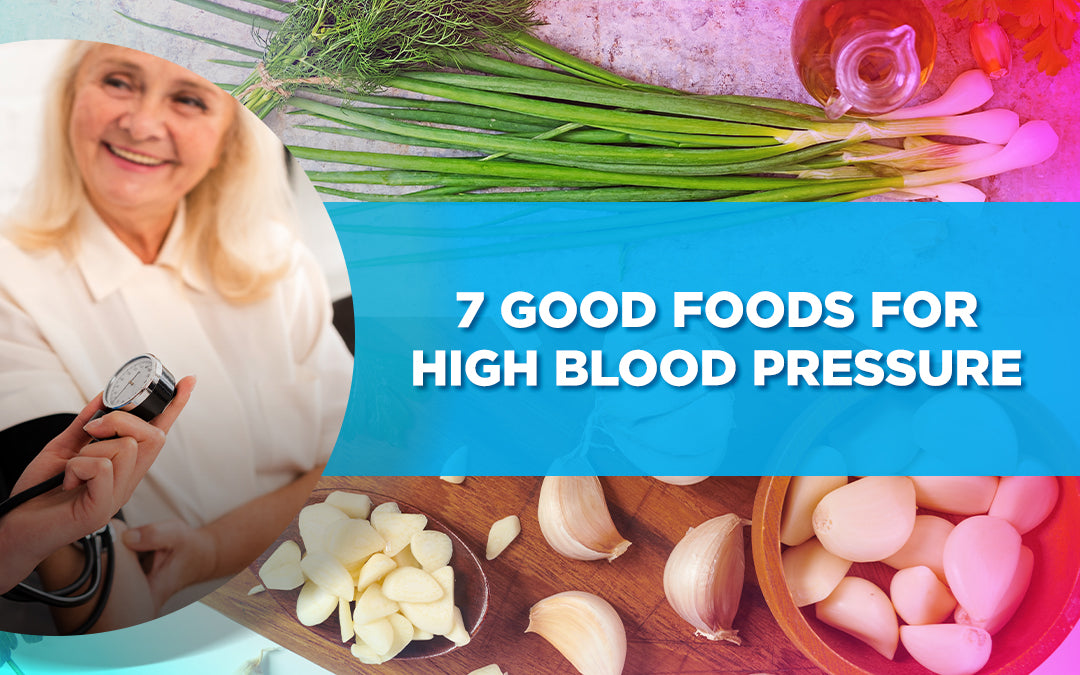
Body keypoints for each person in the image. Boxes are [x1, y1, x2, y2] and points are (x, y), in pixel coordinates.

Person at [0, 41, 353, 632]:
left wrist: (211, 548)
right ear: (69, 101)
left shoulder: (276, 258)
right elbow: (72, 547)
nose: (142, 123)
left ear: (227, 141)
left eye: (189, 99)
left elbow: (345, 459)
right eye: (117, 81)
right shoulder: (12, 282)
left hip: (323, 578)